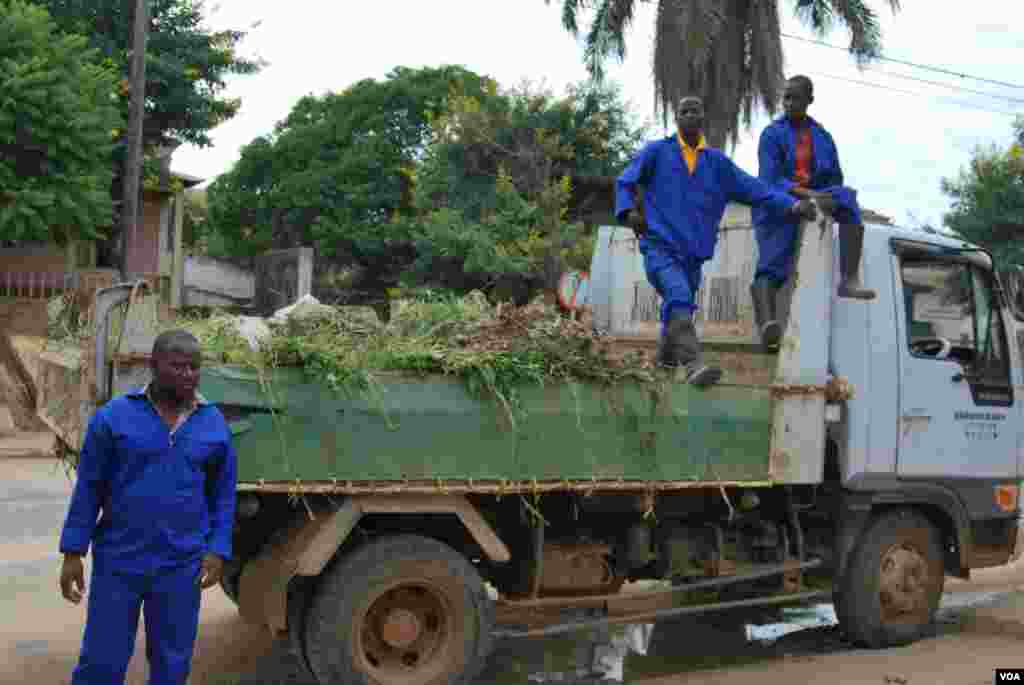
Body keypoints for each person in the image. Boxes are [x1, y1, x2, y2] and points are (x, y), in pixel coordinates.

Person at [58, 329, 237, 685]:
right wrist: (73, 552)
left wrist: (217, 549)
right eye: (178, 366)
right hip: (120, 560)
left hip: (180, 564)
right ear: (154, 367)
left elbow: (223, 495)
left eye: (194, 368)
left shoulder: (213, 423)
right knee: (102, 661)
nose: (188, 374)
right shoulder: (114, 417)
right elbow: (89, 488)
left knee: (172, 662)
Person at [616, 95, 817, 385]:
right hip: (659, 248)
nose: (688, 115)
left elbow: (757, 190)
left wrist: (792, 205)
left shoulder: (717, 164)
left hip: (693, 257)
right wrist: (628, 214)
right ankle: (693, 365)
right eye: (683, 111)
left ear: (702, 118)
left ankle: (664, 366)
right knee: (679, 298)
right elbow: (625, 181)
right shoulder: (657, 152)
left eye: (694, 110)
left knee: (675, 310)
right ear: (677, 117)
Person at [751, 75, 875, 349]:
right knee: (773, 265)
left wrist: (826, 196)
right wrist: (807, 194)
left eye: (795, 97)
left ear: (809, 100)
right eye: (786, 97)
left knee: (847, 197)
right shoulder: (771, 134)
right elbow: (769, 180)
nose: (789, 103)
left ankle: (849, 278)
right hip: (780, 203)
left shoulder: (823, 136)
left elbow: (835, 177)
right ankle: (767, 326)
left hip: (814, 197)